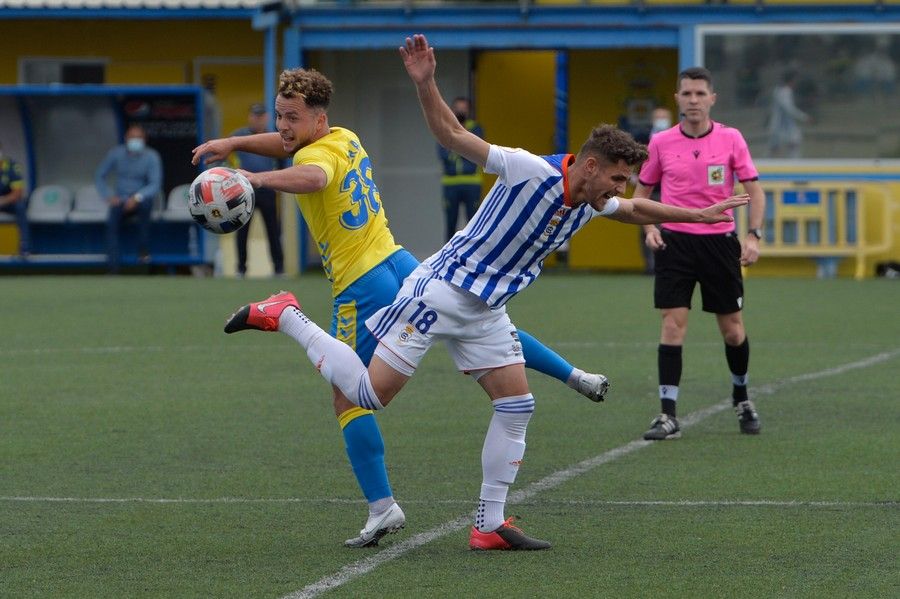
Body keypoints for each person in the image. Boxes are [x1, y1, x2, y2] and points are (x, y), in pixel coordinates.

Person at [221, 35, 748, 550]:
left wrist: (695, 214)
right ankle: (287, 315)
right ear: (590, 166)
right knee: (365, 397)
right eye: (616, 178)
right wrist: (427, 84)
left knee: (517, 405)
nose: (621, 188)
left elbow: (635, 211)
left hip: (485, 307)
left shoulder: (591, 198)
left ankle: (488, 523)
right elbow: (452, 135)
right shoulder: (527, 170)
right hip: (441, 292)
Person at [192, 65, 611, 548]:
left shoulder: (319, 154)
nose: (283, 126)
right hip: (399, 260)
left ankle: (380, 506)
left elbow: (311, 175)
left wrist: (255, 179)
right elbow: (293, 147)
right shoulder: (342, 136)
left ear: (318, 117)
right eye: (280, 116)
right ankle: (573, 375)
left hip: (360, 282)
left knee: (350, 396)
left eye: (291, 117)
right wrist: (234, 143)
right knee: (480, 318)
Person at [634, 66, 766, 441]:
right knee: (672, 324)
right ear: (677, 99)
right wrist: (648, 227)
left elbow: (754, 190)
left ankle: (741, 397)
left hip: (720, 242)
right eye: (686, 94)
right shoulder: (660, 142)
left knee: (732, 330)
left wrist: (753, 235)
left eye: (699, 94)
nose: (693, 100)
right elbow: (640, 196)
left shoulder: (731, 139)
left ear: (712, 99)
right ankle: (667, 414)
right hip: (675, 243)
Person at [95, 124, 162, 272]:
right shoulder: (116, 154)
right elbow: (100, 176)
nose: (135, 140)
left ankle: (144, 257)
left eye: (138, 137)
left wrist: (137, 197)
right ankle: (113, 267)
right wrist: (109, 196)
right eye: (132, 137)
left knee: (145, 216)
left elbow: (154, 184)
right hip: (120, 199)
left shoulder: (151, 156)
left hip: (142, 199)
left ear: (144, 139)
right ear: (126, 138)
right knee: (111, 224)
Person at [229, 103, 285, 277]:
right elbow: (224, 156)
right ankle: (241, 269)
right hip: (244, 191)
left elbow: (283, 160)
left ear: (267, 117)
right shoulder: (239, 135)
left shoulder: (273, 136)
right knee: (242, 230)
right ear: (249, 117)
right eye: (254, 115)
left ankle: (278, 269)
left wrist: (279, 180)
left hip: (267, 189)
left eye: (261, 116)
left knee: (273, 230)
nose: (257, 119)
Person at [438, 96, 483, 240]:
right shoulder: (444, 128)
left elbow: (476, 153)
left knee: (474, 224)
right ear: (451, 110)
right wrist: (463, 148)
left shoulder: (476, 129)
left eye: (464, 108)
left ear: (469, 111)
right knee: (450, 224)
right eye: (458, 108)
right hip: (451, 184)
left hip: (472, 183)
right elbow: (443, 155)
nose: (461, 111)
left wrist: (455, 146)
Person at [767, 70, 810, 159]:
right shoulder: (784, 92)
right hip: (781, 126)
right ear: (791, 80)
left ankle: (794, 165)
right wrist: (804, 117)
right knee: (776, 149)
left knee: (793, 144)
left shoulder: (779, 90)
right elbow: (789, 109)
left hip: (785, 125)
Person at [0, 140, 30, 258]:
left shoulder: (12, 167)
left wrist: (2, 201)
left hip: (8, 202)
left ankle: (25, 248)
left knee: (20, 205)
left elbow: (17, 193)